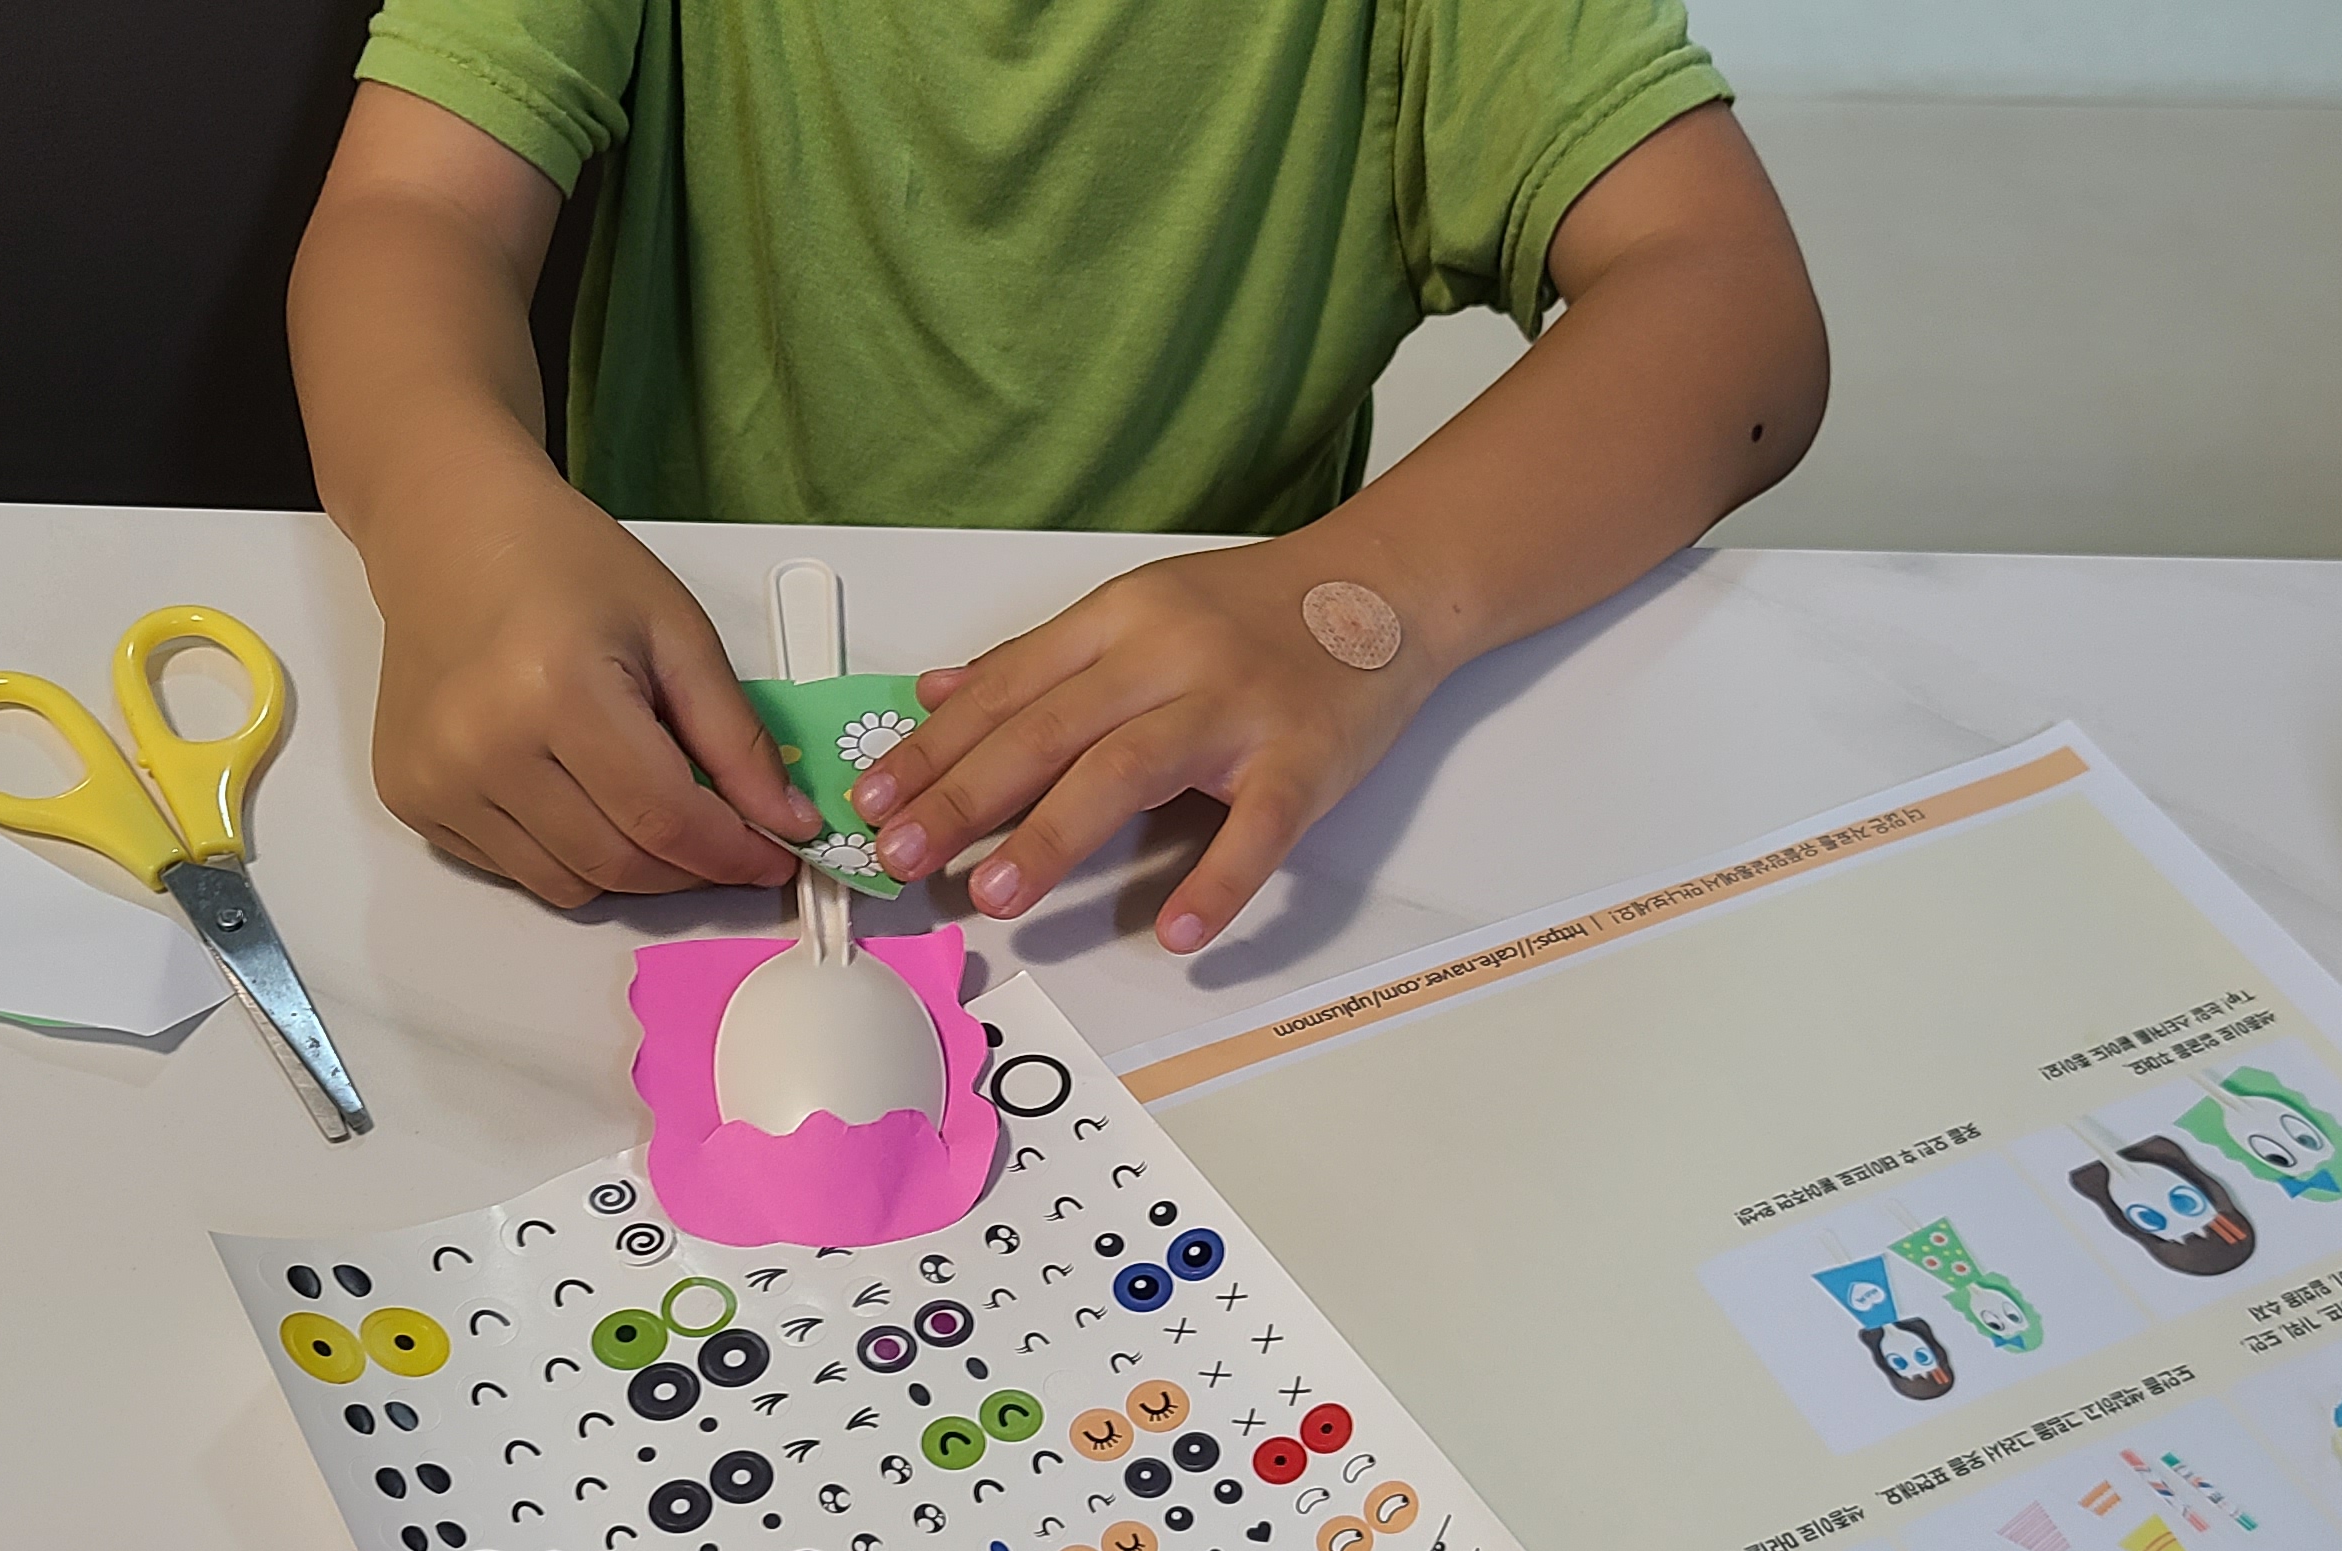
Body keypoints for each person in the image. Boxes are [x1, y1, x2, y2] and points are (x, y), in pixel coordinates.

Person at [289, 0, 1825, 953]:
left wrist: (1363, 607)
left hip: (1183, 829)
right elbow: (415, 211)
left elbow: (1731, 311)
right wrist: (450, 518)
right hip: (666, 766)